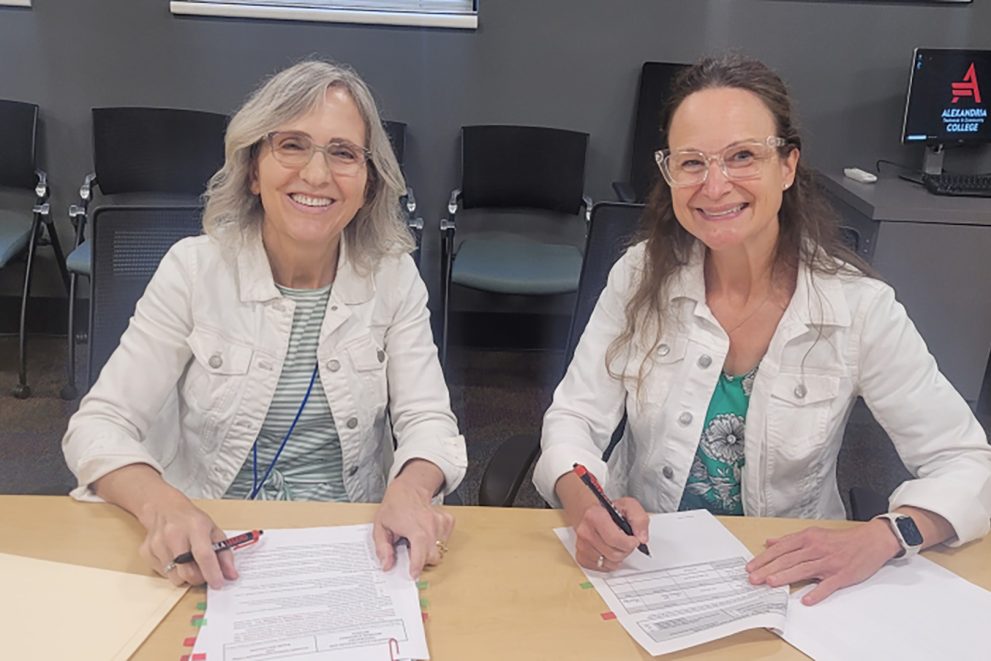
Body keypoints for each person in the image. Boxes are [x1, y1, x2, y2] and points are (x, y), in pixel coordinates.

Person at [533, 54, 991, 604]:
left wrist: (889, 534)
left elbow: (966, 461)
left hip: (790, 581)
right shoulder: (638, 277)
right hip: (643, 572)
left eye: (743, 156)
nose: (715, 185)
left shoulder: (857, 306)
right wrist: (588, 505)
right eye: (691, 162)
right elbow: (575, 417)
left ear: (788, 165)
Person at [62, 60, 466, 588]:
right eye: (292, 145)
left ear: (368, 183)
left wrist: (411, 492)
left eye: (343, 153)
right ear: (253, 170)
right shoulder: (193, 269)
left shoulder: (393, 278)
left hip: (355, 542)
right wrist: (164, 509)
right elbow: (99, 426)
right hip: (213, 542)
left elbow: (430, 422)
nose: (317, 175)